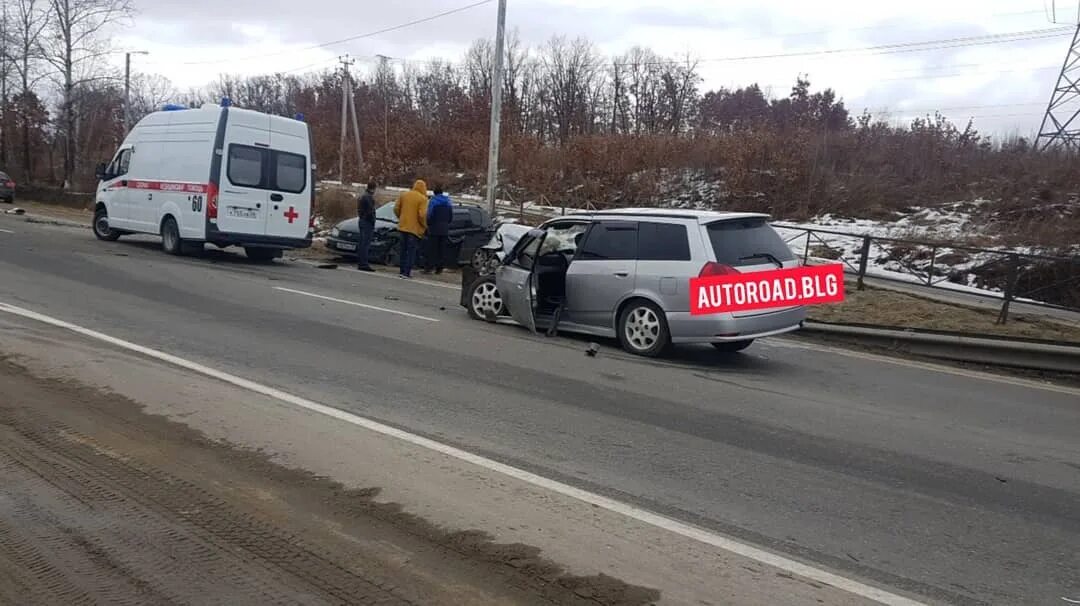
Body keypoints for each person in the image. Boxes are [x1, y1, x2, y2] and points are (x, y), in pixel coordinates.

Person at [393, 179, 428, 279]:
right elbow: (422, 215)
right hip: (414, 229)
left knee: (403, 250)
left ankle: (401, 270)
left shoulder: (404, 195)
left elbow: (396, 208)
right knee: (411, 251)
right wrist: (424, 225)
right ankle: (406, 272)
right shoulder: (422, 199)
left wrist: (401, 217)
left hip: (402, 226)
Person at [424, 188, 453, 274]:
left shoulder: (433, 201)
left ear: (434, 193)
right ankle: (439, 269)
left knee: (432, 249)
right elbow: (450, 217)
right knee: (441, 250)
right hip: (444, 230)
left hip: (434, 229)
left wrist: (428, 224)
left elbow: (429, 215)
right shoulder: (448, 202)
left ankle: (429, 267)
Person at [356, 181, 377, 272]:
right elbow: (370, 211)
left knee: (362, 243)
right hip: (367, 222)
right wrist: (373, 221)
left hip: (362, 220)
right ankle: (363, 263)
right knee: (365, 243)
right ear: (374, 188)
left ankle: (361, 262)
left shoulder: (363, 196)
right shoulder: (368, 197)